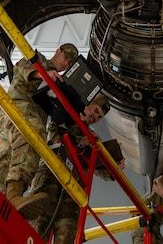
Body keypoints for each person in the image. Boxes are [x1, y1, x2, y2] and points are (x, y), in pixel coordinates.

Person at [0, 43, 80, 210]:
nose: (66, 63)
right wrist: (44, 75)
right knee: (34, 136)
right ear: (57, 50)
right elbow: (23, 68)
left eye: (70, 63)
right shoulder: (36, 59)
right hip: (17, 111)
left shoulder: (58, 83)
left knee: (6, 156)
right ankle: (14, 195)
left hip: (11, 121)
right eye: (66, 57)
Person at [25, 94, 124, 244]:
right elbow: (54, 133)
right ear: (88, 103)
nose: (95, 117)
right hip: (51, 173)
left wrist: (113, 169)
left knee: (67, 233)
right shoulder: (66, 113)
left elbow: (95, 169)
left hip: (73, 188)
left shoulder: (92, 136)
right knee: (38, 225)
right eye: (96, 110)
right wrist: (80, 139)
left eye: (99, 117)